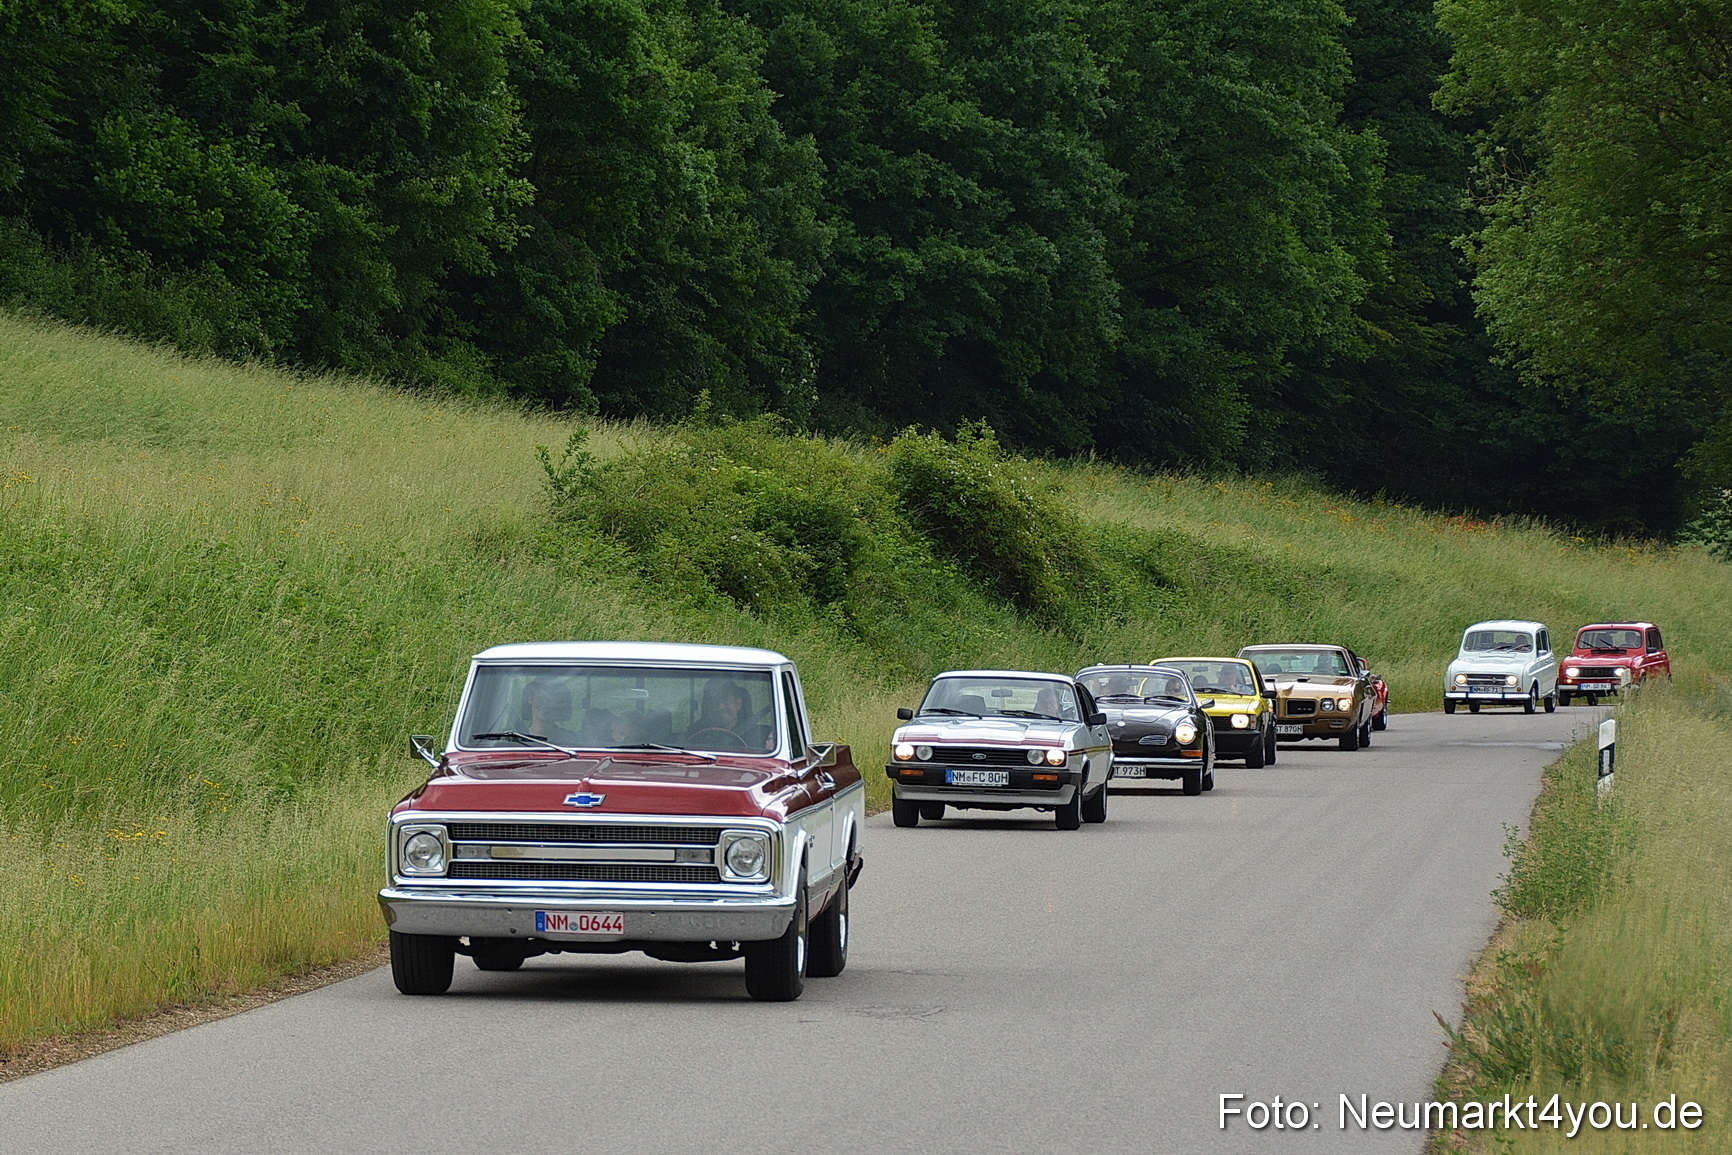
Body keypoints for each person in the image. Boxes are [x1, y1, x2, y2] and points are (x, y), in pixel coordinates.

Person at [688, 679, 758, 750]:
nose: (720, 706)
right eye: (714, 702)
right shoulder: (696, 732)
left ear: (738, 704)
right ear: (708, 706)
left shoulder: (756, 735)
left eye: (726, 700)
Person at [522, 680, 580, 745]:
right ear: (530, 699)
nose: (546, 705)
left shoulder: (574, 740)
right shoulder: (514, 739)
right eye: (541, 698)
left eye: (552, 700)